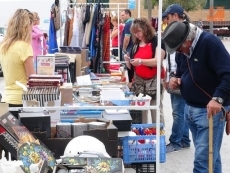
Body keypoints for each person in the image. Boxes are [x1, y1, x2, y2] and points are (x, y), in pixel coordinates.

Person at [163, 21, 230, 173]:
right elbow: (180, 70)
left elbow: (228, 73)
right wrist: (175, 78)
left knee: (203, 163)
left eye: (179, 47)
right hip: (191, 108)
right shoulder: (183, 50)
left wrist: (218, 98)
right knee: (211, 159)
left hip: (209, 112)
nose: (178, 51)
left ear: (188, 39)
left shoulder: (209, 42)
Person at [124, 18, 166, 124]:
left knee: (155, 109)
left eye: (138, 32)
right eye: (134, 33)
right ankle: (143, 136)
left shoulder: (157, 41)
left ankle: (157, 135)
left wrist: (141, 61)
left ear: (145, 29)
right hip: (139, 83)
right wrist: (128, 61)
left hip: (154, 82)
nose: (136, 35)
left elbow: (157, 61)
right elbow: (132, 68)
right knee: (141, 112)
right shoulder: (136, 45)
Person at [162, 4, 191, 152]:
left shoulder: (184, 32)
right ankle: (184, 139)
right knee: (182, 111)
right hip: (177, 75)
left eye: (167, 17)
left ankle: (176, 141)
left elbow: (177, 59)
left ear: (175, 16)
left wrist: (173, 77)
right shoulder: (178, 31)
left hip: (180, 77)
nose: (166, 21)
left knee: (178, 111)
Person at [0, 9, 35, 119]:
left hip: (6, 99)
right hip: (21, 100)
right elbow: (32, 79)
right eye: (31, 25)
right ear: (26, 25)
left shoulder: (4, 46)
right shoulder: (24, 47)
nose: (32, 28)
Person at [120, 9, 134, 83]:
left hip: (129, 48)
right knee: (131, 66)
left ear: (128, 14)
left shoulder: (128, 24)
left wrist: (124, 48)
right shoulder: (133, 22)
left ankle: (131, 83)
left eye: (123, 15)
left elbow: (127, 38)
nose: (121, 17)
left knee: (129, 67)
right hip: (132, 47)